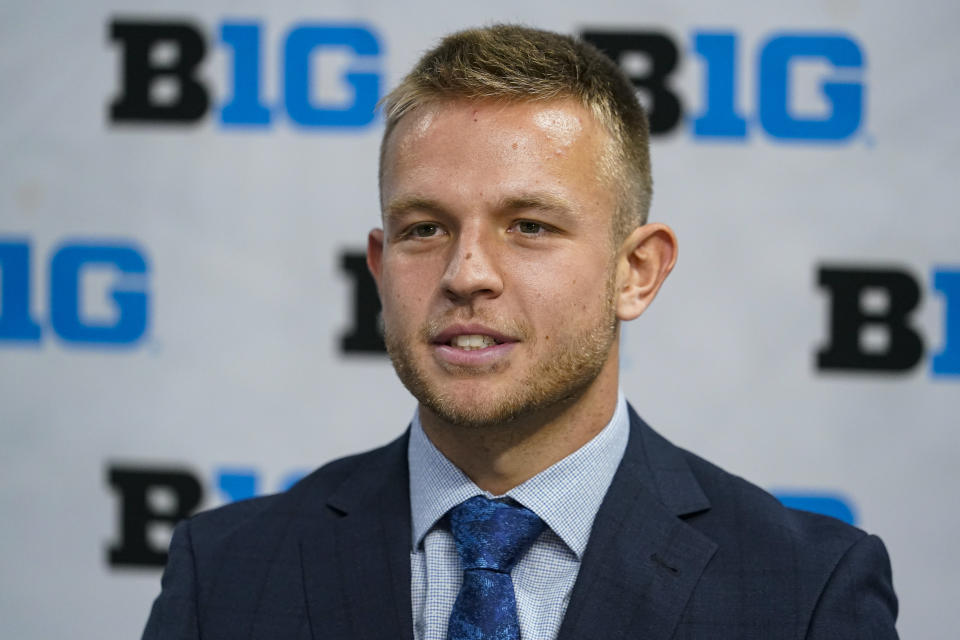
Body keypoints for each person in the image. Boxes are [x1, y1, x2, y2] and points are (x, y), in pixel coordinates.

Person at [142, 25, 898, 639]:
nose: (467, 272)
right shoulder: (228, 571)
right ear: (379, 266)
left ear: (635, 272)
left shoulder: (806, 593)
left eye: (529, 226)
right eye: (425, 228)